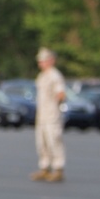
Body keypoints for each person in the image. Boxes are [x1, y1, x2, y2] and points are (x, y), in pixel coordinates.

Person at [30, 47, 66, 182]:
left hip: (52, 115)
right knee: (42, 142)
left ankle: (58, 169)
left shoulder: (55, 75)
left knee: (54, 141)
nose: (41, 63)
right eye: (40, 61)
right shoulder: (42, 76)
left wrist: (56, 106)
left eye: (43, 61)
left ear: (51, 60)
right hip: (42, 115)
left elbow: (61, 94)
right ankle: (44, 168)